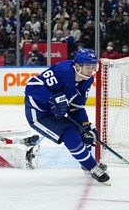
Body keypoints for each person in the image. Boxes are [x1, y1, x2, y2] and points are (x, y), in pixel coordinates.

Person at [24, 48, 110, 183]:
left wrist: (86, 126)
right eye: (88, 67)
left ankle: (86, 163)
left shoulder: (87, 80)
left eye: (93, 67)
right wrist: (51, 98)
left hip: (56, 111)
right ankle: (92, 167)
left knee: (85, 134)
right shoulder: (62, 72)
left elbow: (76, 108)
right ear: (77, 66)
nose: (91, 71)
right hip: (40, 113)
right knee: (70, 134)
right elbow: (32, 86)